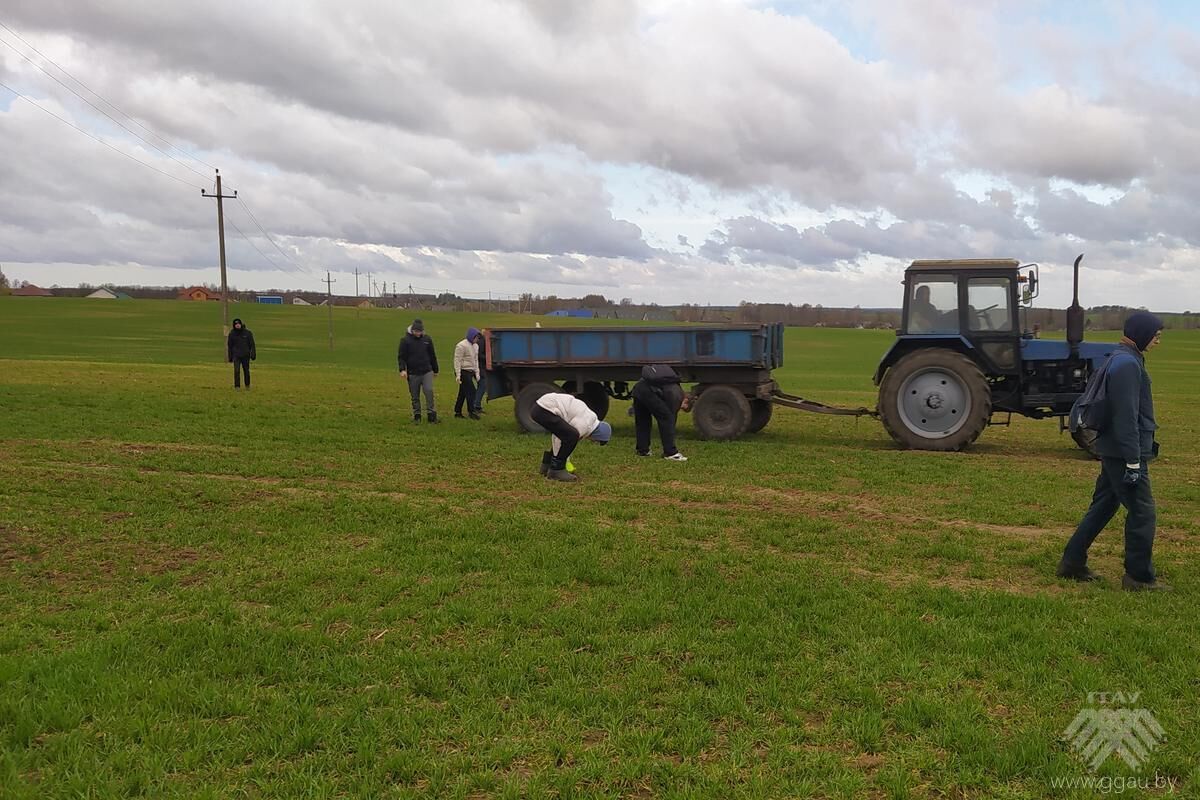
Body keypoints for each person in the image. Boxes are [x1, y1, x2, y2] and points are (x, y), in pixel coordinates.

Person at [1058, 311, 1167, 591]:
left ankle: (1071, 562)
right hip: (1123, 452)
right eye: (1156, 335)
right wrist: (1133, 461)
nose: (1157, 341)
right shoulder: (1127, 364)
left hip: (1113, 449)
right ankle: (1138, 577)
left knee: (1104, 505)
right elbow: (1125, 416)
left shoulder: (1121, 358)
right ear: (1142, 334)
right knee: (1143, 512)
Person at [532, 392, 612, 482]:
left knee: (568, 435)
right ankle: (556, 470)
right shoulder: (586, 423)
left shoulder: (589, 417)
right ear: (598, 435)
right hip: (544, 410)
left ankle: (546, 465)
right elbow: (564, 438)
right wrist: (563, 461)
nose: (593, 441)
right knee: (571, 436)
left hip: (540, 407)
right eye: (596, 441)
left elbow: (559, 434)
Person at [631, 364, 689, 461]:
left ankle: (643, 450)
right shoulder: (678, 395)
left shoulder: (674, 387)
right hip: (647, 392)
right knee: (666, 418)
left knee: (643, 421)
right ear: (685, 399)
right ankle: (670, 453)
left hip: (638, 389)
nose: (683, 409)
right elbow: (670, 418)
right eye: (685, 407)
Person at [397, 319, 440, 423]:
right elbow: (401, 357)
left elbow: (432, 355)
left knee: (428, 391)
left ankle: (431, 415)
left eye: (420, 331)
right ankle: (417, 415)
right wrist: (402, 369)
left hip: (426, 371)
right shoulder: (405, 341)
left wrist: (435, 369)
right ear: (412, 330)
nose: (418, 333)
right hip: (412, 373)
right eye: (416, 331)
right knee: (414, 395)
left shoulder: (427, 339)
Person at [453, 327, 482, 419]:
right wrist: (458, 375)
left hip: (471, 371)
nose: (477, 340)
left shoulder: (476, 346)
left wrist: (477, 373)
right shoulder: (461, 346)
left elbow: (476, 360)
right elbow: (457, 360)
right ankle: (471, 411)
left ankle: (457, 411)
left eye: (478, 338)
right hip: (463, 371)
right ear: (471, 336)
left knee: (463, 393)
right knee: (471, 392)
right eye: (476, 337)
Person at [226, 317, 256, 390]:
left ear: (241, 324)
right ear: (234, 325)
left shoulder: (247, 333)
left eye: (238, 324)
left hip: (246, 355)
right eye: (236, 324)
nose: (237, 325)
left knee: (246, 371)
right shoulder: (232, 334)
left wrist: (253, 354)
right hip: (236, 355)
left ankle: (247, 385)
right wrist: (230, 357)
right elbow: (230, 346)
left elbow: (252, 344)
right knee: (236, 371)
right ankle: (237, 386)